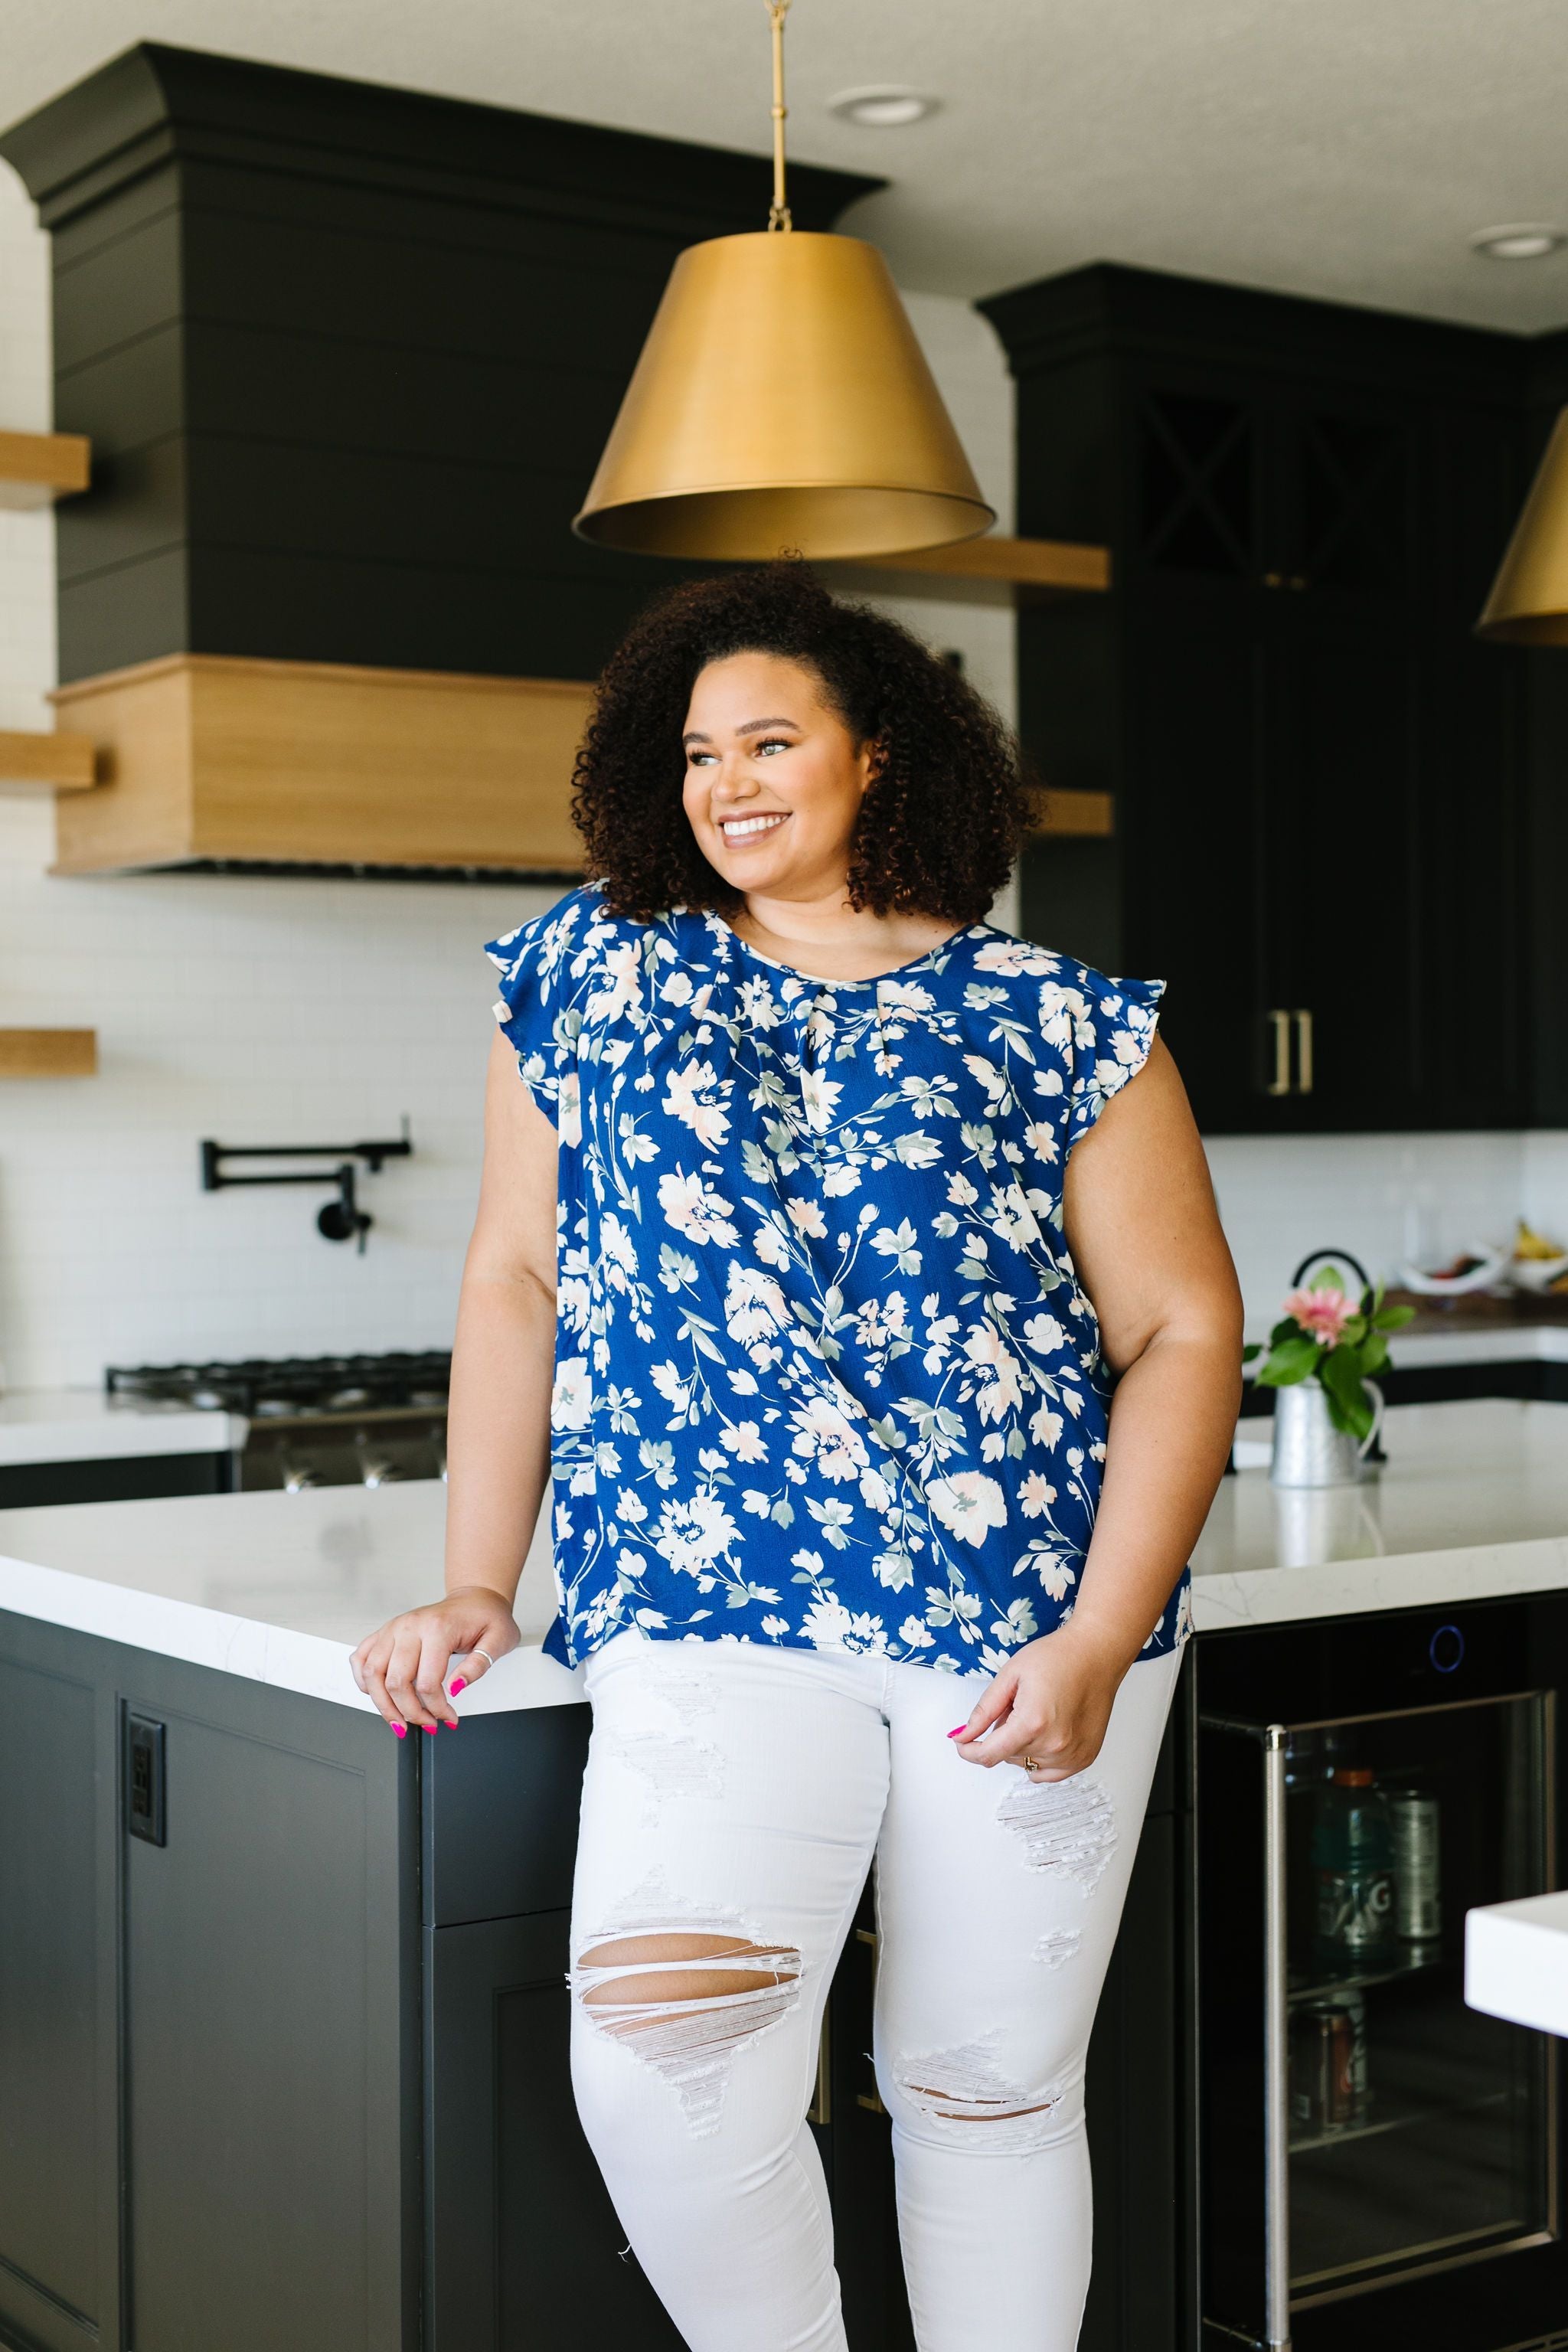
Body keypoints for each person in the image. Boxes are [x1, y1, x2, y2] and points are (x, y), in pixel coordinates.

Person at [351, 562, 1242, 2352]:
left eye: (768, 741)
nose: (726, 783)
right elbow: (516, 1277)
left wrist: (1097, 1630)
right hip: (709, 1594)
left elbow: (1180, 1331)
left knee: (987, 2087)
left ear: (878, 754)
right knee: (660, 2070)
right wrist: (476, 1578)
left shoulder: (1058, 1017)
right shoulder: (590, 970)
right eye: (697, 753)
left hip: (1024, 1615)